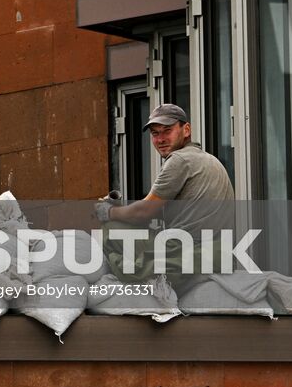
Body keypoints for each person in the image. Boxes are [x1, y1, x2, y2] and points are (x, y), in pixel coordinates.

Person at [95, 103, 234, 287]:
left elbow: (144, 212)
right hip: (217, 252)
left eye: (167, 131)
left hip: (188, 249)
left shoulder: (180, 160)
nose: (160, 139)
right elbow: (150, 211)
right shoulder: (206, 159)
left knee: (111, 229)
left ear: (186, 130)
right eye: (155, 133)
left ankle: (132, 273)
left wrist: (108, 212)